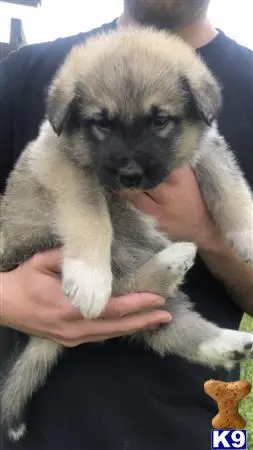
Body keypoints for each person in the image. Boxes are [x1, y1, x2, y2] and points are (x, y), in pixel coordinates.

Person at [0, 1, 253, 449]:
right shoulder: (24, 74)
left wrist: (210, 234)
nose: (132, 163)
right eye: (102, 124)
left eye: (159, 122)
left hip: (195, 429)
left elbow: (219, 168)